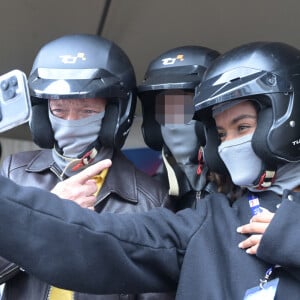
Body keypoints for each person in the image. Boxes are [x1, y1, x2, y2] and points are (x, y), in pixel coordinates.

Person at [0, 41, 300, 299]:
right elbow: (104, 241)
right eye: (221, 135)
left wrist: (290, 238)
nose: (229, 145)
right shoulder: (211, 222)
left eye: (243, 127)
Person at [0, 34, 174, 300]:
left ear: (114, 114)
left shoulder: (149, 199)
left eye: (86, 112)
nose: (71, 121)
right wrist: (44, 214)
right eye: (59, 111)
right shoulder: (15, 173)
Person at [138, 45, 221, 210]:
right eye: (166, 109)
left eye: (185, 107)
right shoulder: (150, 195)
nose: (174, 122)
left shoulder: (246, 188)